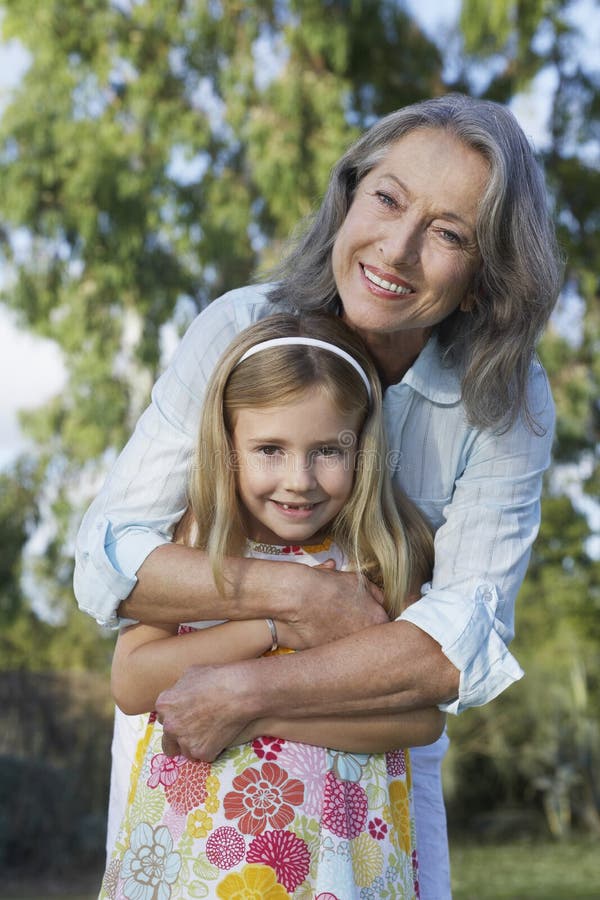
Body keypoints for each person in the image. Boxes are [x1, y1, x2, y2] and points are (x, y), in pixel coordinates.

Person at [75, 92, 562, 900]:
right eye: (387, 198)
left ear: (484, 279)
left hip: (359, 791)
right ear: (349, 196)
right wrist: (294, 599)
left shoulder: (504, 401)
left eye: (448, 234)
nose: (397, 249)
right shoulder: (242, 329)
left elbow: (448, 651)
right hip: (191, 771)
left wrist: (250, 695)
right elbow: (108, 560)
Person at [99, 312, 443, 899]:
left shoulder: (381, 550)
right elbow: (132, 681)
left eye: (328, 451)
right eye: (269, 449)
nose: (298, 480)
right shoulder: (198, 539)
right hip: (203, 855)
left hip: (343, 851)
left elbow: (420, 717)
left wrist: (255, 715)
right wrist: (270, 623)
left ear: (363, 446)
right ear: (228, 446)